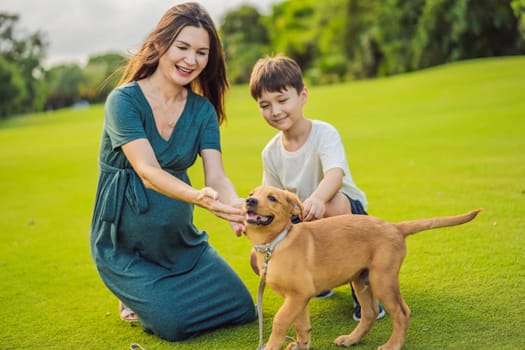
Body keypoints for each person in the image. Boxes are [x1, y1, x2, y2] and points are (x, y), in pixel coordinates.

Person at [89, 2, 256, 342]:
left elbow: (217, 176)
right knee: (174, 324)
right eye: (182, 47)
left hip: (183, 246)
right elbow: (148, 171)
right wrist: (199, 198)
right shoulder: (123, 102)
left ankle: (157, 294)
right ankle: (132, 292)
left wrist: (235, 208)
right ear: (160, 44)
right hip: (124, 248)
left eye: (201, 52)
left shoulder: (202, 111)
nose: (191, 60)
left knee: (242, 309)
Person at [248, 55, 384, 321]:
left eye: (282, 100)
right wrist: (251, 220)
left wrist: (319, 199)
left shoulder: (324, 133)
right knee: (257, 256)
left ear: (303, 95)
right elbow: (270, 199)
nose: (275, 111)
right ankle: (311, 282)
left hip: (343, 212)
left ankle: (365, 295)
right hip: (302, 217)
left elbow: (335, 173)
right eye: (265, 105)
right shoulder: (271, 152)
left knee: (333, 206)